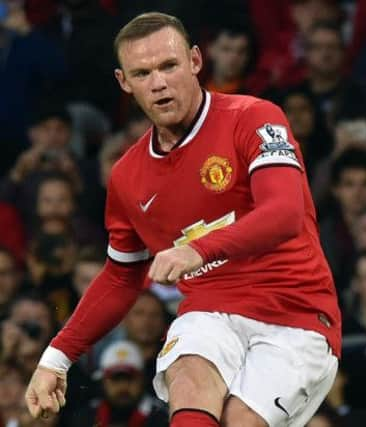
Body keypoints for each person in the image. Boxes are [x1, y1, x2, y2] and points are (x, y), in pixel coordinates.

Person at [24, 12, 340, 427]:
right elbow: (121, 278)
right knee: (189, 379)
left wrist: (197, 250)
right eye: (142, 73)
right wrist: (56, 358)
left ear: (194, 61)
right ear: (124, 82)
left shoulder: (255, 117)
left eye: (168, 66)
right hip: (208, 311)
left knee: (240, 420)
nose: (158, 83)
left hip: (296, 315)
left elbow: (284, 213)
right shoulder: (127, 176)